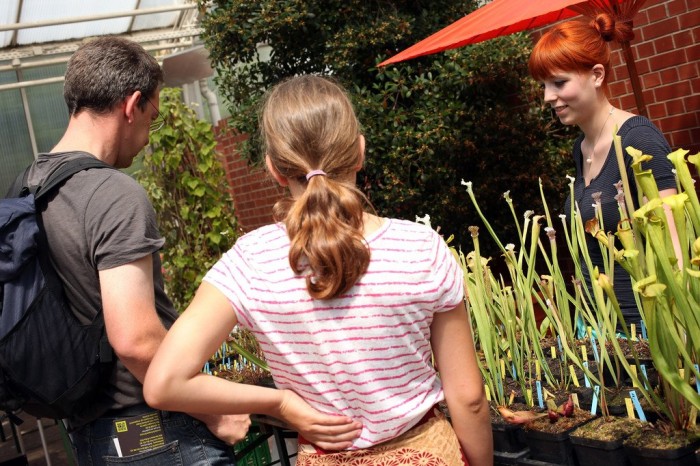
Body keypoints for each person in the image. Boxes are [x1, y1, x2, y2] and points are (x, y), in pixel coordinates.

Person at [144, 75, 493, 465]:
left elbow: (164, 383)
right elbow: (469, 399)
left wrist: (281, 402)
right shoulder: (420, 247)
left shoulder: (249, 262)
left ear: (274, 168)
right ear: (360, 152)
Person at [25, 36, 251, 464]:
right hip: (160, 432)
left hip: (93, 435)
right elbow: (135, 339)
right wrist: (213, 411)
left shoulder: (28, 189)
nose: (149, 135)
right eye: (154, 117)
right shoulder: (112, 192)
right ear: (132, 105)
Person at [528, 14, 680, 330]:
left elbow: (674, 244)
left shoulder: (638, 139)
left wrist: (679, 336)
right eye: (543, 85)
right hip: (599, 331)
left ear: (597, 75)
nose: (547, 97)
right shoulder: (580, 149)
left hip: (648, 331)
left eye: (559, 82)